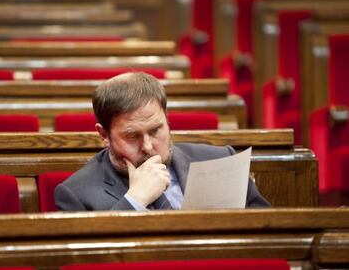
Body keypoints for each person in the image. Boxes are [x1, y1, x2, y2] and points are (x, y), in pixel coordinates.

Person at [55, 72, 270, 211]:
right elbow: (92, 259)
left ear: (167, 120)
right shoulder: (76, 194)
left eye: (155, 130)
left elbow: (268, 234)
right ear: (104, 135)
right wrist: (135, 199)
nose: (148, 147)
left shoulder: (219, 160)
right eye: (132, 136)